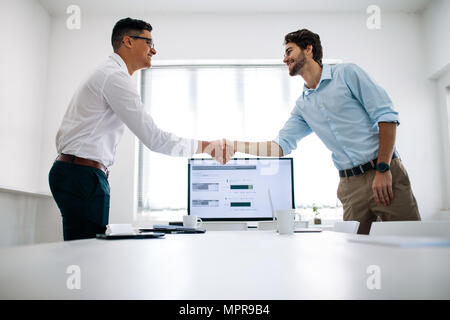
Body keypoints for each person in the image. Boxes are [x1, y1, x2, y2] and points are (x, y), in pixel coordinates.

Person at [49, 18, 234, 241]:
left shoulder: (110, 74)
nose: (154, 50)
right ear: (127, 41)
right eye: (149, 42)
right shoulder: (114, 77)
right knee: (86, 253)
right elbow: (154, 138)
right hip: (81, 174)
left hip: (80, 172)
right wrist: (207, 147)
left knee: (86, 250)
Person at [226, 29, 420, 234]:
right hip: (350, 186)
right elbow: (279, 147)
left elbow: (387, 117)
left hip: (385, 172)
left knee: (411, 242)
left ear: (308, 49)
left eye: (289, 51)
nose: (285, 59)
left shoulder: (347, 74)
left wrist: (383, 169)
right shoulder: (303, 105)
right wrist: (234, 146)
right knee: (355, 254)